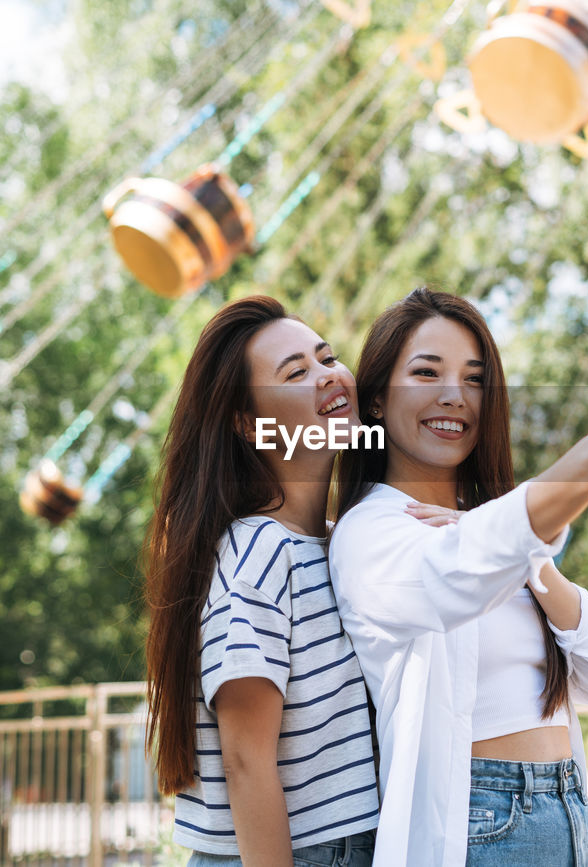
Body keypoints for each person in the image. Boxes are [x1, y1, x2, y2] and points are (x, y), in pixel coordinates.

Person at [329, 287, 588, 866]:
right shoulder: (370, 532)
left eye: (475, 379)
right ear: (377, 400)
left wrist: (535, 567)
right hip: (479, 824)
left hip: (567, 810)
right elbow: (449, 579)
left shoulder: (499, 536)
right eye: (426, 373)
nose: (454, 395)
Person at [143, 295, 382, 866]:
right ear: (249, 424)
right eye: (297, 372)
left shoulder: (334, 540)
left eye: (327, 358)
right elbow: (246, 759)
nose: (328, 377)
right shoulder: (260, 552)